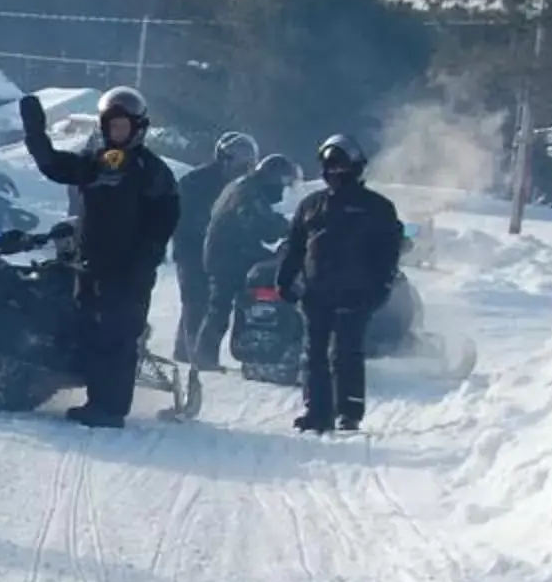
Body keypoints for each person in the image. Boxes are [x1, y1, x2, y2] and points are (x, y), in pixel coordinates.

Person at [20, 86, 180, 427]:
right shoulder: (93, 164)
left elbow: (164, 220)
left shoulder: (152, 171)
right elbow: (54, 166)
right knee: (89, 332)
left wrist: (143, 261)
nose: (116, 133)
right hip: (90, 264)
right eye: (111, 126)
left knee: (118, 336)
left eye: (123, 126)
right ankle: (96, 399)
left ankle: (111, 409)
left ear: (137, 128)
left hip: (128, 271)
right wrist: (35, 133)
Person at [275, 133, 403, 433]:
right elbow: (295, 246)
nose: (336, 173)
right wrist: (284, 280)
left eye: (342, 166)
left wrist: (381, 289)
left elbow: (388, 254)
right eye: (330, 167)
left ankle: (349, 412)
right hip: (316, 293)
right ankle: (317, 411)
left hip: (357, 295)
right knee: (313, 354)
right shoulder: (311, 205)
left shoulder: (377, 208)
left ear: (357, 167)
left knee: (346, 352)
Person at [198, 153, 296, 371]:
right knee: (220, 306)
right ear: (273, 177)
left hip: (229, 251)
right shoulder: (249, 192)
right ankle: (206, 357)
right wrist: (289, 227)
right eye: (283, 182)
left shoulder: (244, 185)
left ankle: (209, 354)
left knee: (221, 304)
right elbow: (263, 225)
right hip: (228, 255)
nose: (283, 188)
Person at [172, 130, 258, 363]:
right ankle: (190, 354)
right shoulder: (195, 182)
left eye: (246, 164)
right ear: (223, 158)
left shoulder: (243, 187)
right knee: (195, 299)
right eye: (237, 162)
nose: (241, 169)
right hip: (191, 248)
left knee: (216, 302)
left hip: (221, 252)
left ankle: (199, 352)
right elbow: (184, 217)